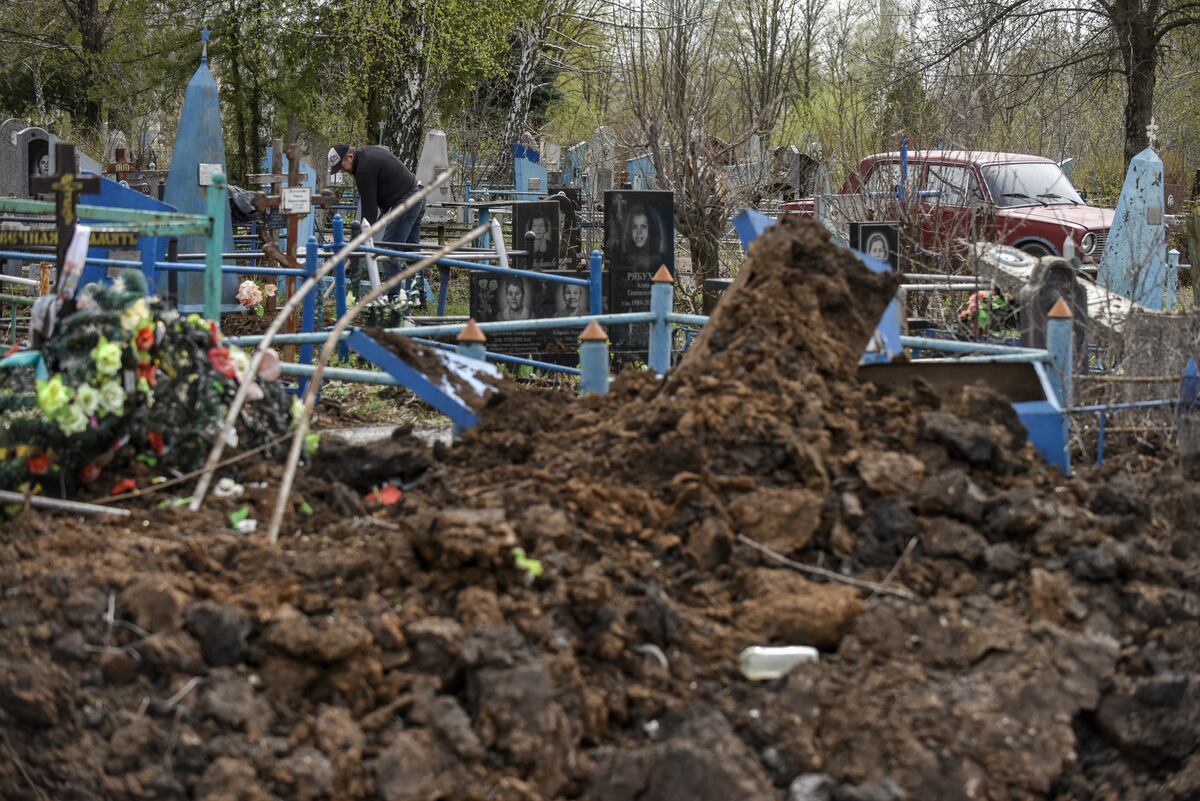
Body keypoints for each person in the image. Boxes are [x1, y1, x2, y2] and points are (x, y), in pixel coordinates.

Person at [329, 143, 424, 298]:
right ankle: (418, 297)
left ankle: (394, 299)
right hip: (417, 194)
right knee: (412, 253)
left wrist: (357, 245)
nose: (343, 170)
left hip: (407, 201)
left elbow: (369, 213)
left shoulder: (363, 170)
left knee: (389, 251)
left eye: (341, 166)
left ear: (349, 157)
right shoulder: (367, 155)